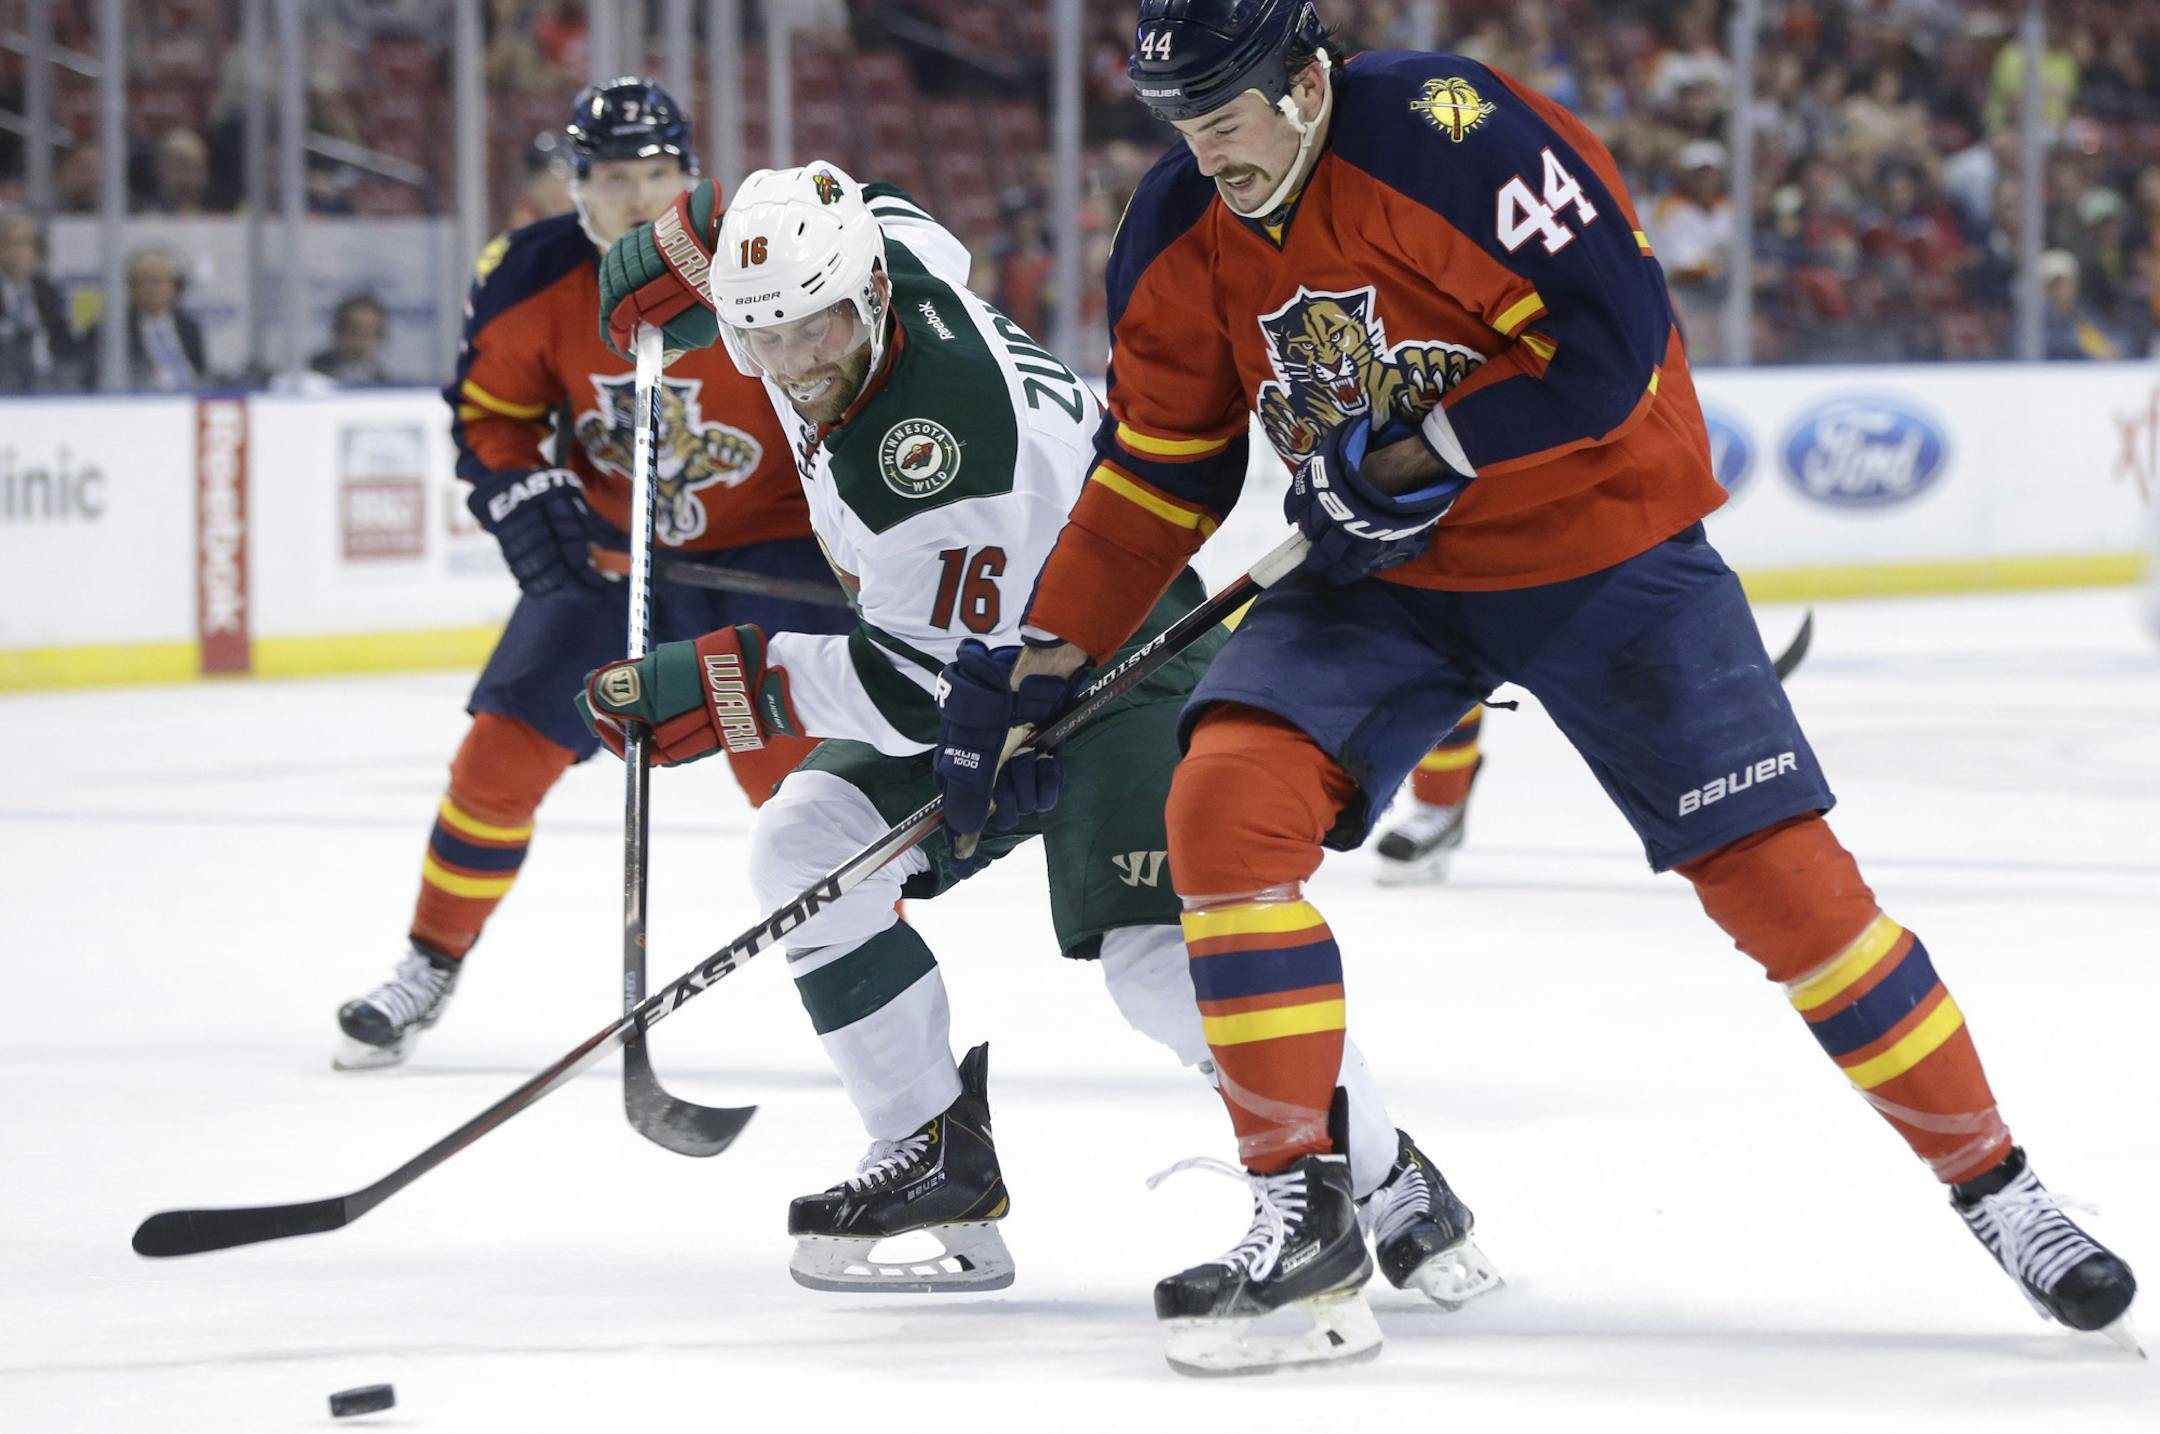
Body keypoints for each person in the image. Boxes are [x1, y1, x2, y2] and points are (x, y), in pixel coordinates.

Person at [937, 0, 2139, 1374]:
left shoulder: (1449, 134)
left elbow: (1607, 342)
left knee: (1790, 891)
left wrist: (1413, 455)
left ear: (1308, 82)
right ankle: (1304, 1219)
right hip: (1384, 582)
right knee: (1222, 809)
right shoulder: (1177, 226)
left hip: (1603, 551)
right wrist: (1044, 656)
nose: (1206, 154)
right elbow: (1159, 469)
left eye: (1225, 118)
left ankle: (1999, 1187)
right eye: (1180, 125)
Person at [586, 158, 1500, 1310]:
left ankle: (1385, 1179)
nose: (797, 363)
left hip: (1119, 655)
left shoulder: (938, 458)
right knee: (805, 849)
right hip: (973, 646)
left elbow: (909, 695)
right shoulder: (873, 261)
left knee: (1157, 963)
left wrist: (723, 685)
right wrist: (694, 238)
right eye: (760, 336)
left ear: (868, 295)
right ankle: (933, 1156)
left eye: (816, 329)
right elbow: (886, 201)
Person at [330, 78, 853, 1069]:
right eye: (613, 177)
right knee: (497, 759)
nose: (637, 198)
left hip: (766, 558)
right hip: (615, 563)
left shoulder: (760, 256)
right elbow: (492, 414)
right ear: (573, 186)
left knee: (807, 799)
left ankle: (872, 994)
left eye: (656, 174)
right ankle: (428, 962)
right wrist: (519, 493)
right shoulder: (532, 273)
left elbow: (851, 382)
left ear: (691, 176)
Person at [0, 211, 83, 392]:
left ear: (37, 251)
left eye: (24, 244)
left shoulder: (47, 291)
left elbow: (65, 344)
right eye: (8, 244)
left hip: (50, 385)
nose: (16, 252)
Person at [308, 293, 393, 386]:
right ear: (339, 331)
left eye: (368, 330)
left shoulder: (384, 382)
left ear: (380, 335)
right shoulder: (314, 374)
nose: (361, 337)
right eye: (354, 329)